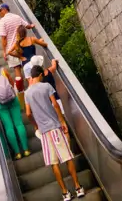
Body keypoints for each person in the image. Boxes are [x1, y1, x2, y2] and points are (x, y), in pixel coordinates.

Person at [25, 65, 85, 199]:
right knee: (68, 157)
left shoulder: (27, 93)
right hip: (55, 127)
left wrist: (36, 126)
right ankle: (77, 187)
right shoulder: (46, 86)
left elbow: (28, 114)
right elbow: (55, 104)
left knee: (54, 163)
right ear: (40, 75)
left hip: (44, 132)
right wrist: (62, 121)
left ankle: (65, 193)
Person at [0, 56, 30, 160]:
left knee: (9, 127)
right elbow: (12, 83)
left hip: (0, 104)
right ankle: (26, 150)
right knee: (19, 124)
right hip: (13, 100)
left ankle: (17, 153)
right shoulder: (4, 71)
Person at [0, 4, 35, 89]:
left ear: (4, 10)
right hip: (23, 47)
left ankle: (21, 90)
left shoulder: (3, 21)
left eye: (0, 11)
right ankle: (33, 85)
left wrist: (4, 52)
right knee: (28, 67)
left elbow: (3, 38)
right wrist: (31, 26)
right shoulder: (17, 17)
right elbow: (27, 26)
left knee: (17, 70)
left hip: (12, 50)